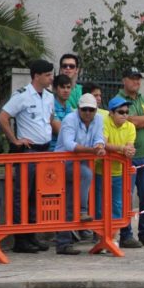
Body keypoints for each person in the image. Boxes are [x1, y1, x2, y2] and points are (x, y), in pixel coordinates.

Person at [0, 58, 55, 253]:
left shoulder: (48, 96)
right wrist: (14, 140)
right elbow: (3, 117)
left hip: (44, 150)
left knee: (37, 194)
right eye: (47, 75)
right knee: (22, 194)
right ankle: (20, 239)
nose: (50, 78)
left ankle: (32, 234)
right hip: (29, 151)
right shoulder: (22, 95)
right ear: (36, 76)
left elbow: (50, 120)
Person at [117, 67, 144, 246]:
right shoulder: (119, 100)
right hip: (127, 156)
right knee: (126, 196)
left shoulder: (143, 99)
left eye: (138, 79)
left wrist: (139, 121)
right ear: (124, 80)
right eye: (132, 78)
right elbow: (126, 121)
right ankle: (126, 234)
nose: (136, 82)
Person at [55, 93, 103, 254]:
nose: (88, 112)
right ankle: (82, 210)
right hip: (63, 163)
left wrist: (99, 146)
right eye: (85, 109)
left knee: (68, 202)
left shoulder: (98, 119)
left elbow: (99, 139)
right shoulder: (70, 119)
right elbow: (69, 145)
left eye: (91, 109)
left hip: (80, 162)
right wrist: (93, 150)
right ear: (79, 109)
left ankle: (64, 243)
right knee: (85, 175)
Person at [95, 96, 137, 234]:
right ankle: (101, 236)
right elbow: (103, 143)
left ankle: (113, 237)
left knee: (118, 206)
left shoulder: (130, 126)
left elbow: (129, 146)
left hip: (119, 172)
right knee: (100, 206)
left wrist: (129, 150)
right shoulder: (104, 122)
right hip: (101, 171)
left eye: (126, 112)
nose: (125, 115)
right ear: (111, 113)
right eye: (121, 112)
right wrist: (123, 149)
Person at [49, 73, 73, 150]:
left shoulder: (69, 106)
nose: (66, 90)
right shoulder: (50, 105)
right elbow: (61, 132)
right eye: (62, 87)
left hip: (68, 150)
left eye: (68, 87)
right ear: (55, 89)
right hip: (53, 150)